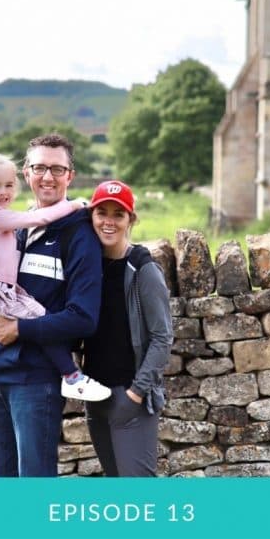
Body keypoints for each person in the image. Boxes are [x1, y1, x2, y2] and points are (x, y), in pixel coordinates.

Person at [0, 134, 105, 477]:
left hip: (35, 383)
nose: (47, 176)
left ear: (70, 176)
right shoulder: (14, 228)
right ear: (26, 172)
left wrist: (20, 328)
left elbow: (84, 318)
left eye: (57, 169)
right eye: (39, 168)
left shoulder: (79, 237)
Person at [0, 152, 109, 403]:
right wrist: (75, 205)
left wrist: (19, 328)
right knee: (36, 312)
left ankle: (71, 376)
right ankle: (72, 376)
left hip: (20, 371)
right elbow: (38, 218)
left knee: (27, 312)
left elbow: (83, 317)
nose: (3, 192)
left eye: (8, 185)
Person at [82, 180, 173, 477]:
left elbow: (162, 337)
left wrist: (136, 393)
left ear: (130, 220)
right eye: (102, 213)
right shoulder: (87, 265)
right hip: (95, 399)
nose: (109, 221)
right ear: (91, 217)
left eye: (118, 214)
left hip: (129, 398)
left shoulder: (143, 269)